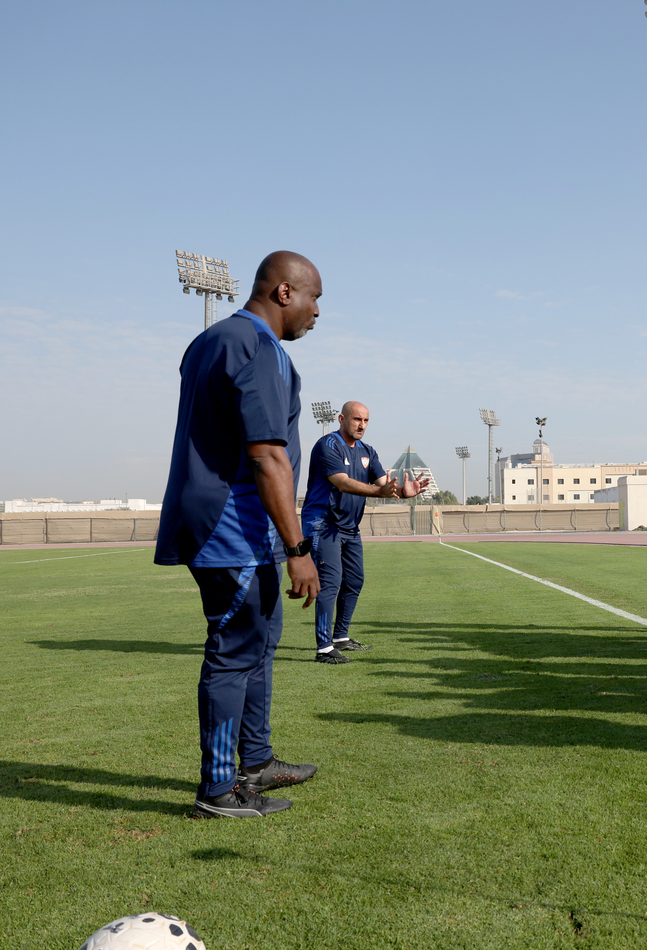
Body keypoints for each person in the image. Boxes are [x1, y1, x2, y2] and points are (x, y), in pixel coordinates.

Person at [156, 250, 324, 819]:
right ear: (283, 292)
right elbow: (267, 456)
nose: (317, 311)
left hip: (228, 524)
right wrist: (299, 548)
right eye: (313, 297)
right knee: (233, 651)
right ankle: (220, 788)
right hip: (232, 528)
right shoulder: (258, 346)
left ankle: (255, 759)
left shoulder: (207, 341)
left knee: (261, 638)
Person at [301, 401, 429, 664]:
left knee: (355, 581)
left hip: (349, 527)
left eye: (366, 420)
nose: (361, 425)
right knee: (331, 581)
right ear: (341, 418)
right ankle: (324, 649)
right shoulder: (328, 445)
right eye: (356, 419)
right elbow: (342, 482)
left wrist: (405, 492)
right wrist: (378, 492)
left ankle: (340, 638)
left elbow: (384, 484)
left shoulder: (367, 451)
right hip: (324, 524)